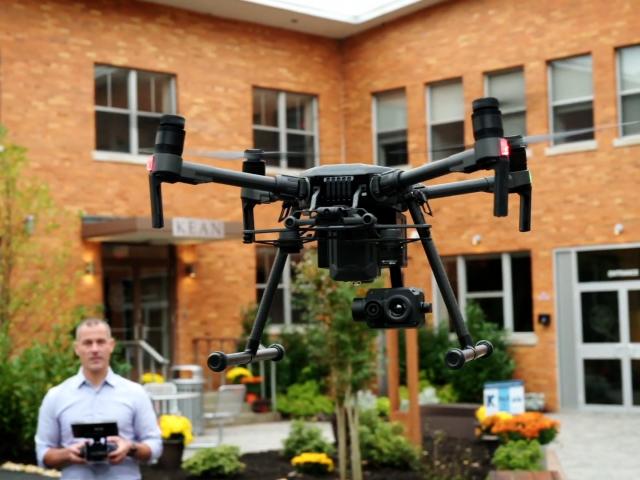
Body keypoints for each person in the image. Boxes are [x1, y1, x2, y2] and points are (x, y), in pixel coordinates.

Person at [35, 318, 163, 479]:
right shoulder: (56, 396)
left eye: (100, 342)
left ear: (111, 345)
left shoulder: (135, 393)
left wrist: (129, 447)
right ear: (77, 348)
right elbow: (43, 453)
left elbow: (155, 446)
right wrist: (67, 454)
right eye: (88, 343)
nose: (95, 349)